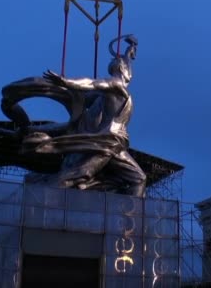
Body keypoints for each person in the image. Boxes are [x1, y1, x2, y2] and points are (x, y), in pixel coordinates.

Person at [37, 34, 147, 197]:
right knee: (80, 174)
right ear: (123, 70)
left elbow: (126, 66)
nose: (130, 71)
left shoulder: (121, 87)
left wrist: (129, 52)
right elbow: (90, 83)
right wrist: (66, 82)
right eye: (127, 67)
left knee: (139, 178)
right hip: (107, 141)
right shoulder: (114, 84)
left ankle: (130, 218)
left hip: (116, 144)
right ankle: (42, 194)